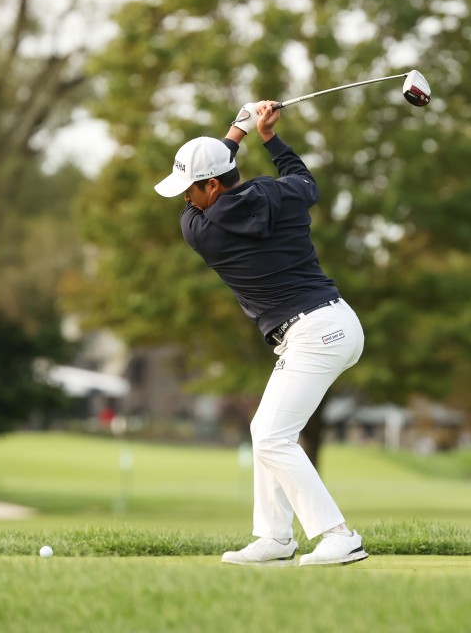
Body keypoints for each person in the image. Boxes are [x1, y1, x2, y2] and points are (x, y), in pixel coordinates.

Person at [155, 100, 368, 567]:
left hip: (313, 332)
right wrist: (270, 137)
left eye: (189, 190)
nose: (185, 202)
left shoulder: (202, 231)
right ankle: (274, 536)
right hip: (334, 322)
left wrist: (238, 130)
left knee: (272, 437)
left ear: (211, 187)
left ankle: (338, 535)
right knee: (265, 431)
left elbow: (200, 204)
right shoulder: (280, 194)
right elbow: (306, 181)